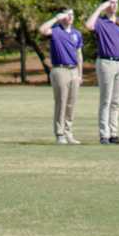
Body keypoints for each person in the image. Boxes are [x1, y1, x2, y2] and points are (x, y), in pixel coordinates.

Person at [86, 0, 119, 145]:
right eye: (111, 2)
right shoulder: (100, 22)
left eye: (116, 2)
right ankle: (104, 134)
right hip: (105, 62)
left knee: (116, 101)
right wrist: (99, 8)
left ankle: (114, 133)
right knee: (106, 100)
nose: (114, 5)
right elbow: (89, 26)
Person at [41, 9, 83, 145]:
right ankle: (60, 134)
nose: (70, 17)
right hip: (60, 69)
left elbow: (79, 55)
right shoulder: (56, 31)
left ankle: (68, 132)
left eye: (72, 14)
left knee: (71, 104)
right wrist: (56, 19)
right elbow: (42, 29)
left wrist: (80, 74)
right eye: (67, 14)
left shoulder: (77, 33)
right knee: (62, 102)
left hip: (74, 70)